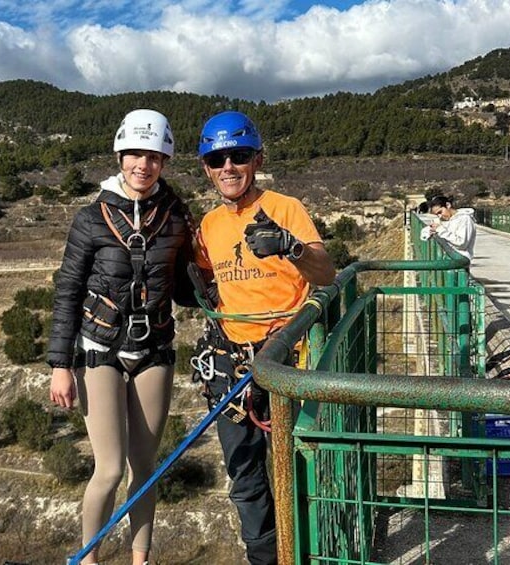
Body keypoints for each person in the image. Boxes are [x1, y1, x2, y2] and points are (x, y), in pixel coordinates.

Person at [47, 109, 195, 565]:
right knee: (109, 469)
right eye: (134, 154)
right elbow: (68, 290)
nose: (142, 164)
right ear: (119, 155)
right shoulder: (91, 218)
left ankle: (139, 558)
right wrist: (59, 365)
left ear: (165, 161)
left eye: (152, 156)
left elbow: (189, 287)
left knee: (145, 471)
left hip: (153, 350)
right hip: (100, 353)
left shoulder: (175, 218)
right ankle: (89, 559)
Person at [191, 110, 336, 565]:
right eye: (218, 160)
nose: (228, 168)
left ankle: (307, 552)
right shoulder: (210, 226)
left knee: (295, 468)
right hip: (231, 363)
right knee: (245, 475)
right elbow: (202, 274)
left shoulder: (286, 208)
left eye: (239, 156)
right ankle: (263, 559)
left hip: (285, 358)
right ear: (206, 168)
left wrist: (290, 246)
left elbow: (327, 273)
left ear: (257, 159)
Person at [426, 194, 477, 260]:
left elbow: (461, 244)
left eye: (440, 212)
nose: (440, 216)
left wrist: (440, 230)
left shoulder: (465, 219)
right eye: (437, 214)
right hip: (450, 259)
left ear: (448, 205)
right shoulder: (446, 220)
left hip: (460, 260)